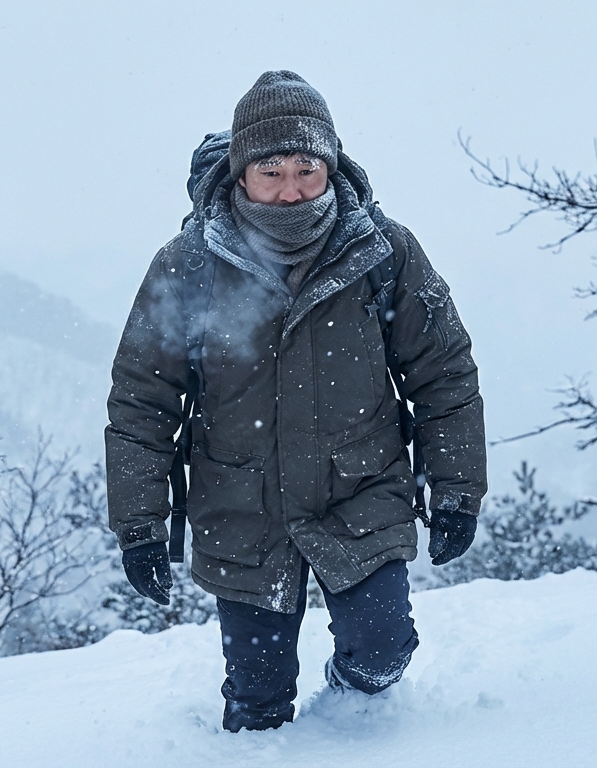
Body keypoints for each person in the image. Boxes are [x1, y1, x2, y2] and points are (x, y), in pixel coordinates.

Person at [105, 71, 486, 732]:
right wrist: (139, 521)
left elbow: (443, 374)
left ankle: (352, 719)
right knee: (257, 702)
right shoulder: (189, 266)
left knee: (383, 651)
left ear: (330, 164)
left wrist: (456, 487)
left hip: (360, 490)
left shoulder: (383, 252)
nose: (291, 189)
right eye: (271, 169)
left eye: (307, 168)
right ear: (240, 173)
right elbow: (143, 403)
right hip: (242, 505)